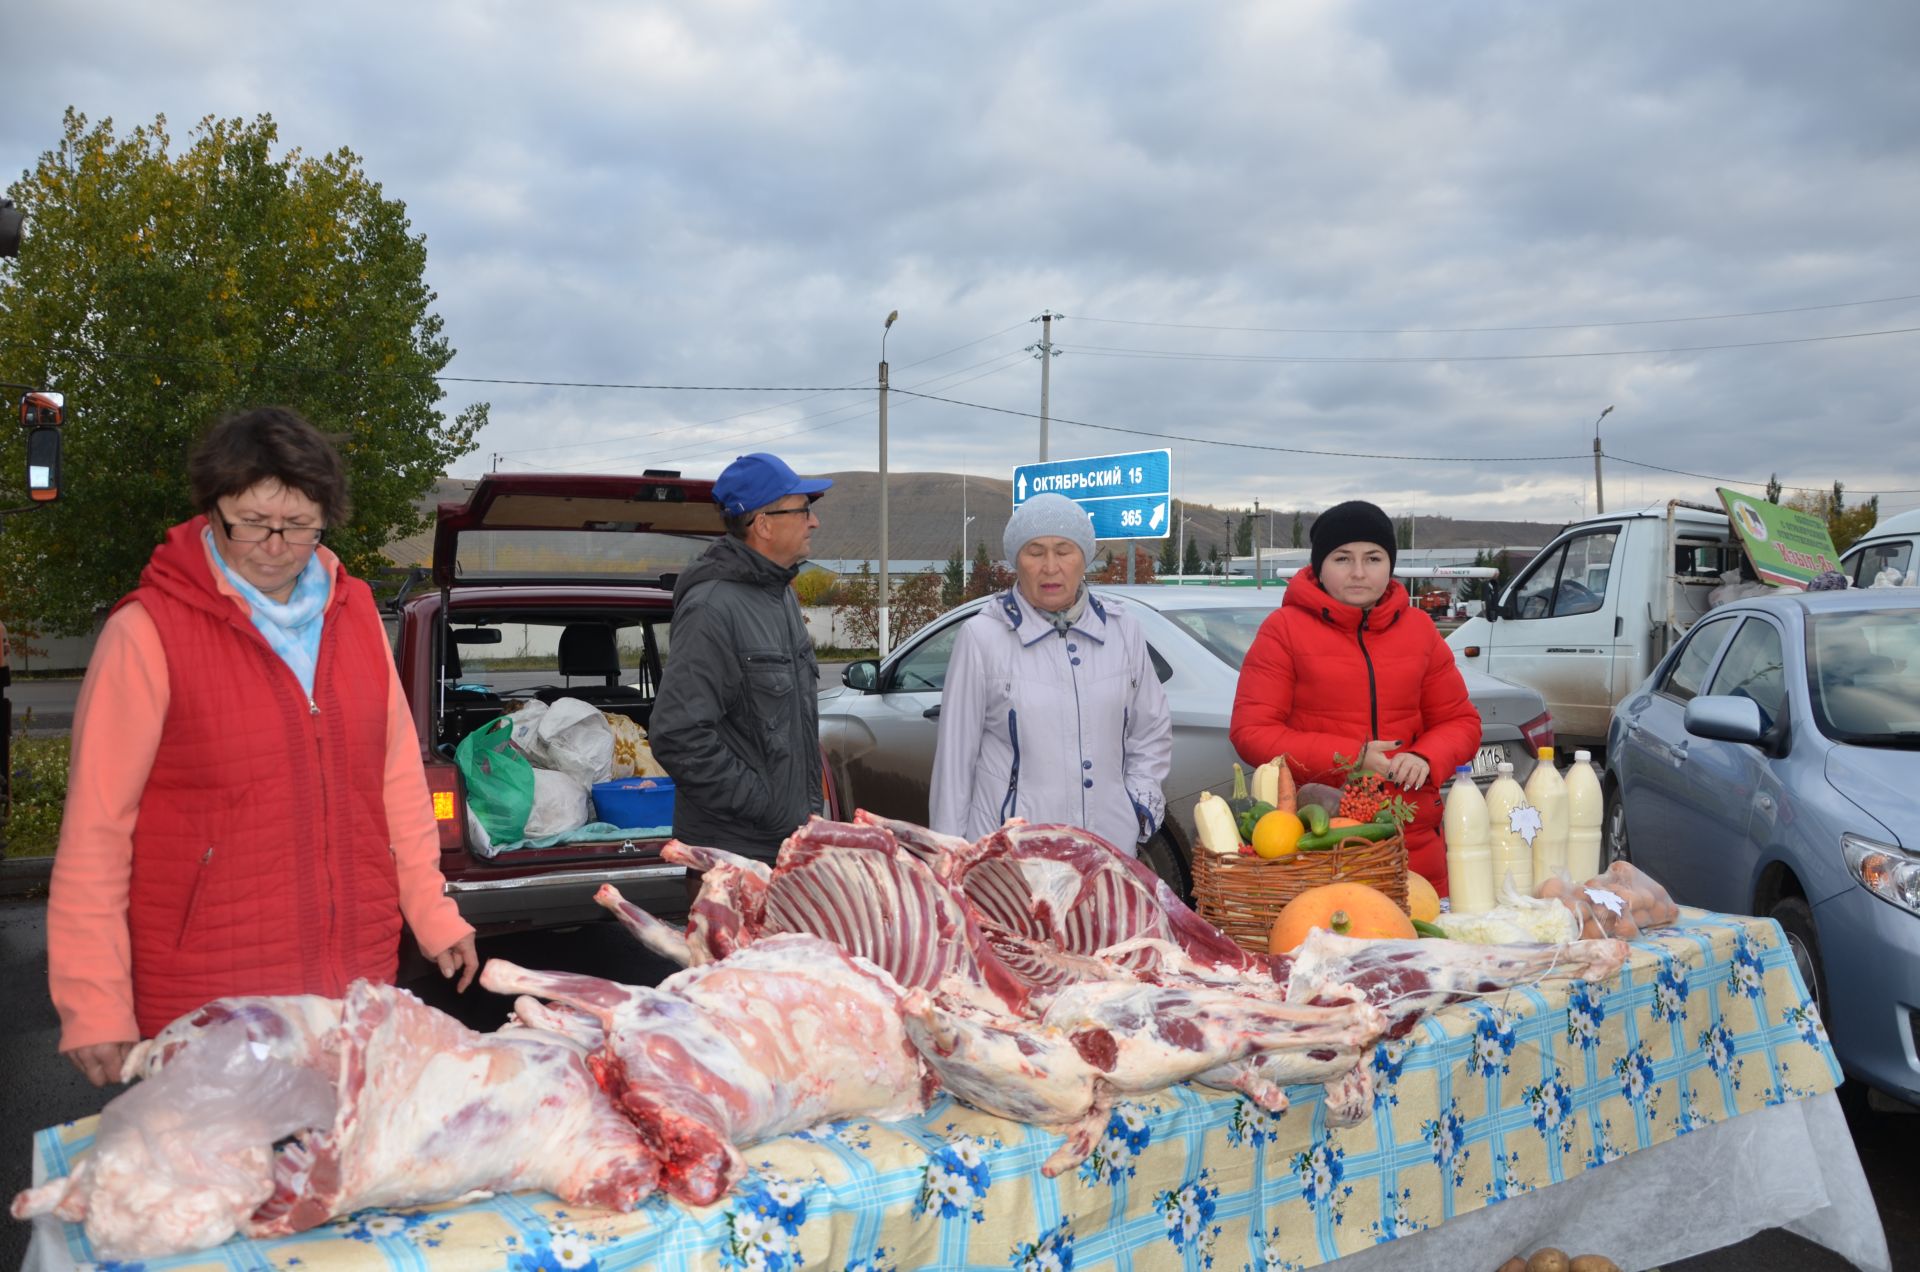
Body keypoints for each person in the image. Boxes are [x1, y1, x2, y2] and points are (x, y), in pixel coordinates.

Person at [46, 408, 479, 1087]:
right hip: (210, 999)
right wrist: (93, 1001)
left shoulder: (357, 613)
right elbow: (95, 834)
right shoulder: (145, 632)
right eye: (251, 521)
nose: (275, 545)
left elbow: (395, 778)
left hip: (354, 988)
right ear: (212, 510)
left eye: (299, 524)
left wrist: (430, 909)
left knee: (339, 1182)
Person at [1229, 499, 1480, 892]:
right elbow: (1252, 732)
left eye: (1374, 558)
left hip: (1413, 841)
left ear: (1390, 565)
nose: (1359, 572)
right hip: (1321, 840)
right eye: (1343, 558)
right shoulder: (1284, 630)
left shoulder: (1419, 629)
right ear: (1319, 566)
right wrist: (1351, 757)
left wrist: (1426, 756)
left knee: (1423, 944)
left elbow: (1461, 722)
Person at [929, 493, 1172, 854]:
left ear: (1084, 557)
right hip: (1013, 861)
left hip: (1106, 852)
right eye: (1035, 551)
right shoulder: (982, 638)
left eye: (1064, 550)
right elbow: (954, 765)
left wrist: (1138, 805)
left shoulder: (1124, 631)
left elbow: (1149, 729)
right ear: (1016, 560)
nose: (1050, 566)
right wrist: (949, 860)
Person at [651, 452, 830, 863]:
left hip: (783, 849)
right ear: (763, 524)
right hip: (734, 859)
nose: (814, 521)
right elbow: (678, 735)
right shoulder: (712, 609)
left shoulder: (779, 593)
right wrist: (764, 807)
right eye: (803, 510)